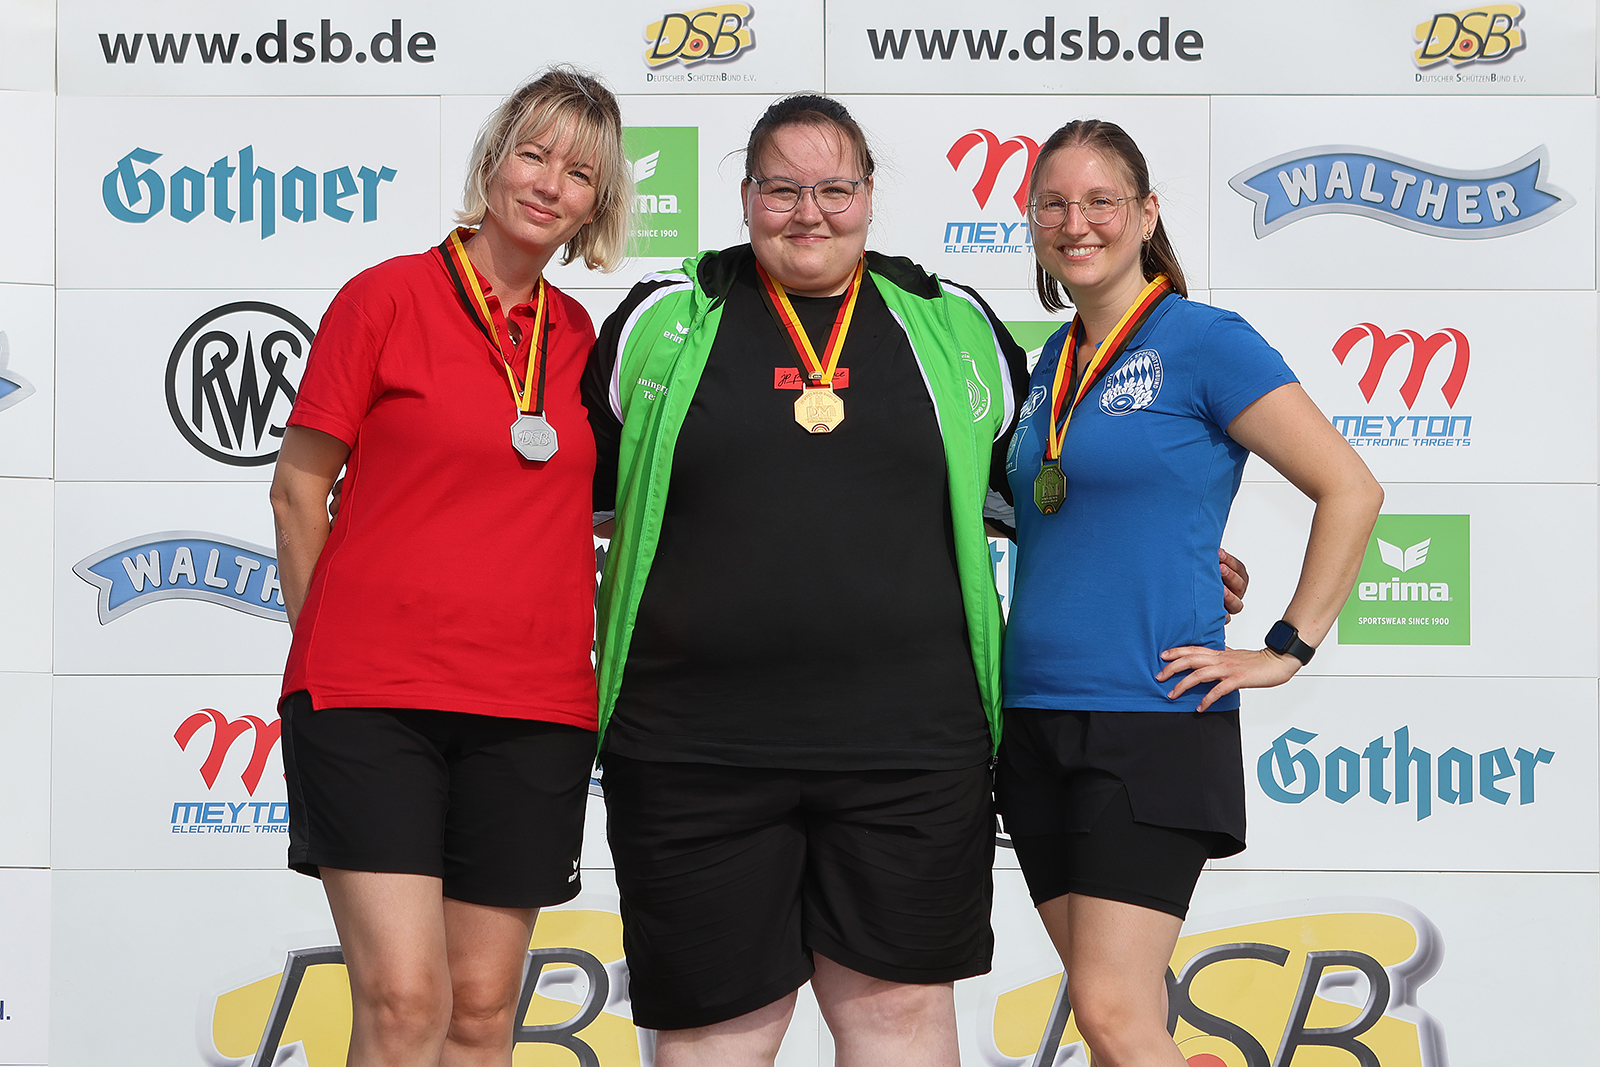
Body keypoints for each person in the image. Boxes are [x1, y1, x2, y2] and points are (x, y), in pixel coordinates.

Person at [582, 94, 1029, 1067]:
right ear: (745, 196)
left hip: (910, 752)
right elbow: (567, 495)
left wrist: (1165, 551)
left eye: (834, 189)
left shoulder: (952, 323)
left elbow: (1042, 485)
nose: (809, 213)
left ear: (869, 195)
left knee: (900, 1020)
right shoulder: (663, 319)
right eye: (782, 189)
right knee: (713, 1036)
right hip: (694, 751)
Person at [996, 118, 1384, 1067]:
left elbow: (1350, 487)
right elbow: (1054, 512)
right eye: (1054, 203)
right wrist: (1178, 550)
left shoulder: (1205, 341)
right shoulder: (1045, 366)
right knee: (1116, 1022)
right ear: (1031, 218)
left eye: (1101, 201)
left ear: (1146, 214)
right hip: (1031, 717)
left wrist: (1287, 646)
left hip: (1151, 716)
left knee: (1113, 1012)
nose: (1076, 222)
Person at [267, 67, 630, 1067]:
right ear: (493, 161)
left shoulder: (583, 341)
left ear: (596, 205)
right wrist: (333, 650)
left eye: (579, 173)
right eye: (534, 154)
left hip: (534, 709)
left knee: (479, 1012)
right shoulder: (384, 296)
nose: (549, 183)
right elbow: (297, 491)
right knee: (402, 1001)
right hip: (373, 701)